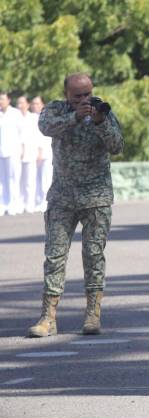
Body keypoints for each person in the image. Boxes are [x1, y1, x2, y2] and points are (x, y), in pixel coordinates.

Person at [27, 73, 124, 338]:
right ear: (67, 94)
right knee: (54, 256)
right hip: (63, 197)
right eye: (78, 96)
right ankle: (48, 317)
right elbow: (46, 127)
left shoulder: (102, 111)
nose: (84, 100)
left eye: (87, 94)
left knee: (94, 255)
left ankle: (93, 314)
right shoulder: (56, 110)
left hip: (96, 197)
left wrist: (100, 121)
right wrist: (76, 117)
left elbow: (117, 146)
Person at [0, 91, 24, 216]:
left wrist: (22, 149)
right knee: (2, 180)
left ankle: (14, 204)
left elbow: (23, 133)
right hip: (1, 152)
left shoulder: (15, 113)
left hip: (14, 151)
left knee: (13, 179)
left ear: (8, 100)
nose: (1, 102)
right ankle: (3, 204)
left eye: (2, 99)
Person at [17, 96, 39, 213]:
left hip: (31, 152)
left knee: (30, 180)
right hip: (17, 154)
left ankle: (30, 204)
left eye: (22, 103)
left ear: (27, 104)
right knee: (19, 180)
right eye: (18, 103)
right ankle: (20, 204)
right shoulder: (15, 117)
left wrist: (39, 151)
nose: (20, 105)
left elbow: (38, 136)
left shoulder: (33, 118)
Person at [31, 96, 53, 212]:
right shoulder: (30, 118)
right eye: (33, 103)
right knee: (36, 179)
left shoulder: (46, 117)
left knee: (45, 178)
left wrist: (40, 152)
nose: (35, 106)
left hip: (45, 153)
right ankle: (38, 201)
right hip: (32, 153)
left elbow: (43, 137)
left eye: (37, 103)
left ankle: (45, 202)